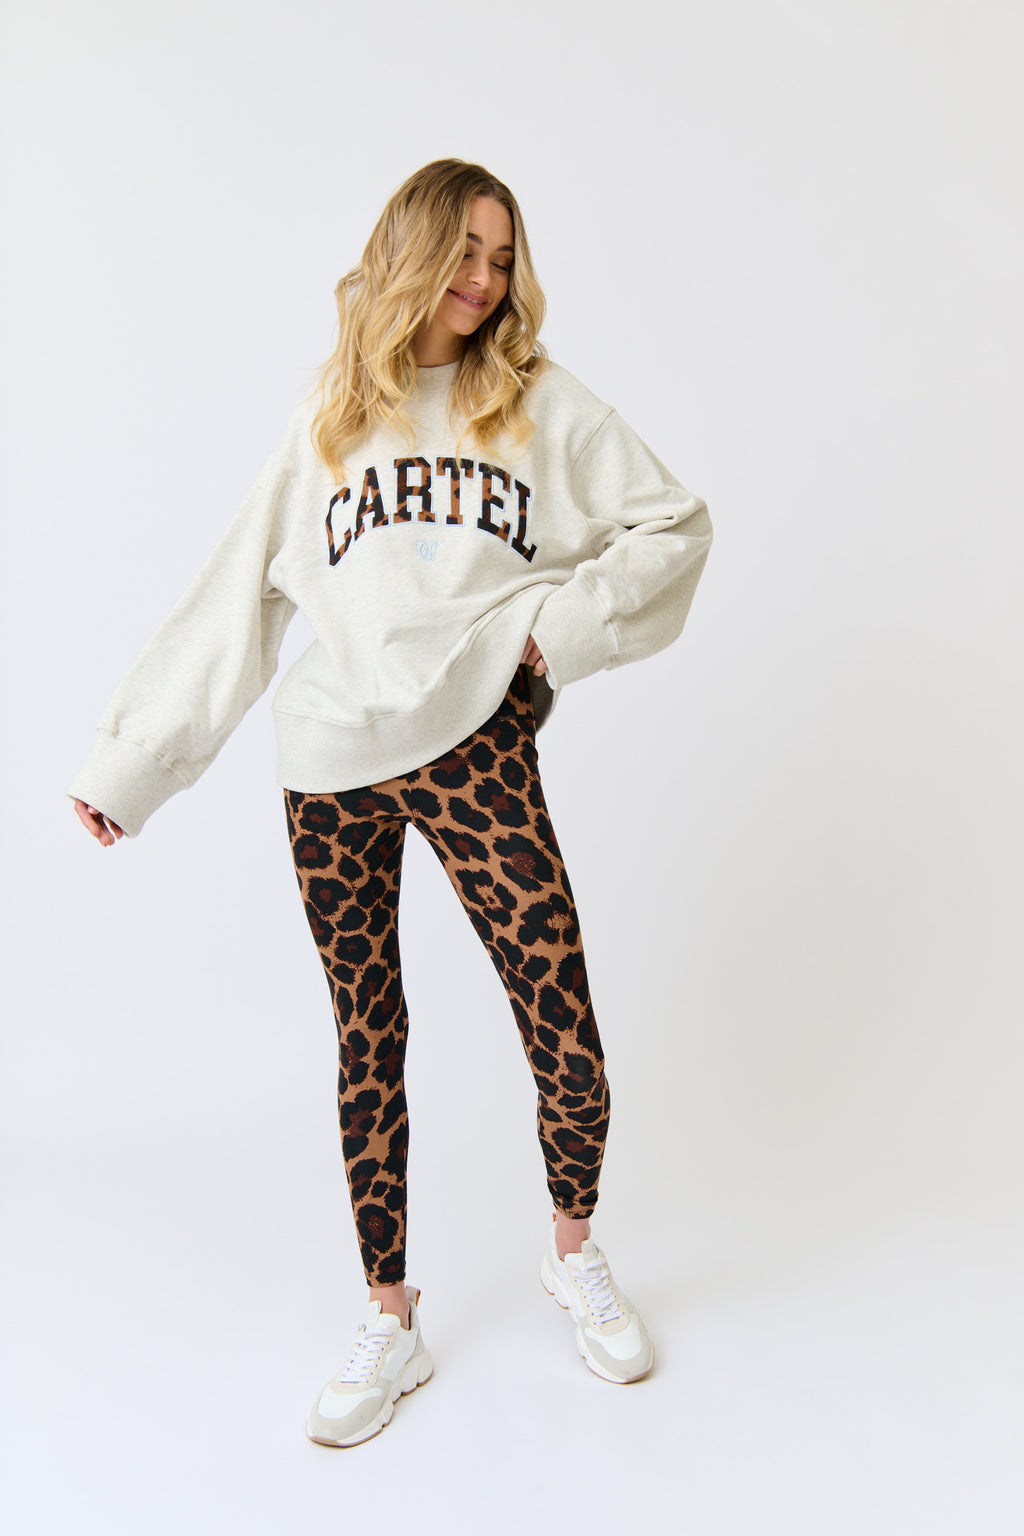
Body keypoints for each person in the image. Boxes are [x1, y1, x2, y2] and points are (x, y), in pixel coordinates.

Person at [69, 158, 712, 1447]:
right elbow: (239, 598)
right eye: (463, 252)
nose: (483, 280)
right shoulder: (330, 420)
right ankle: (390, 1315)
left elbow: (674, 525)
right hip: (331, 767)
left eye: (502, 258)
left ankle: (573, 1252)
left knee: (560, 1010)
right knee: (369, 1034)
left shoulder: (537, 403)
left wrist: (557, 635)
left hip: (477, 747)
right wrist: (134, 766)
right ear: (410, 253)